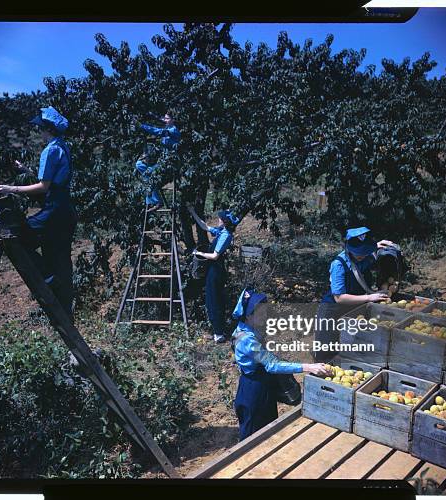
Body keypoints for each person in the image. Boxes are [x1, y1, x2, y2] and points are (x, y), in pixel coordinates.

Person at [0, 106, 77, 318]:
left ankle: (49, 280)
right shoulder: (62, 147)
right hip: (66, 210)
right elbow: (51, 180)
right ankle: (64, 307)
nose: (39, 132)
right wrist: (26, 171)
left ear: (48, 129)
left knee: (18, 239)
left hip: (55, 210)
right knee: (59, 258)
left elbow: (43, 187)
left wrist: (9, 188)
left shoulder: (50, 150)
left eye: (41, 129)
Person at [231, 288, 330, 441]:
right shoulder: (247, 340)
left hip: (262, 385)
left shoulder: (249, 329)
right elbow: (272, 365)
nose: (265, 314)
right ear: (248, 316)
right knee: (253, 438)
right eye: (260, 312)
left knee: (268, 430)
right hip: (254, 391)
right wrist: (308, 367)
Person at [314, 226, 396, 362]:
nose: (362, 255)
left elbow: (370, 252)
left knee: (352, 347)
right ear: (349, 249)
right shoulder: (339, 265)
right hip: (332, 311)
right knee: (327, 352)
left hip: (353, 309)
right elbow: (339, 298)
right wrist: (370, 297)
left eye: (365, 251)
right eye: (359, 252)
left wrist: (376, 245)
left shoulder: (364, 256)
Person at [186, 204, 238, 343]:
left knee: (214, 300)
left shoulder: (225, 235)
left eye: (220, 218)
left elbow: (215, 256)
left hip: (216, 271)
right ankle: (218, 331)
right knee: (212, 299)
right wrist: (193, 212)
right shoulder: (221, 231)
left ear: (225, 221)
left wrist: (199, 253)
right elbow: (204, 226)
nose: (218, 219)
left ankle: (219, 333)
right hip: (213, 270)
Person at [135, 110, 180, 212]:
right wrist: (150, 113)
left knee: (149, 176)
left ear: (173, 120)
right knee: (139, 165)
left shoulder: (173, 130)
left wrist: (142, 126)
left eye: (167, 118)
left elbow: (158, 132)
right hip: (162, 161)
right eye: (165, 118)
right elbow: (160, 118)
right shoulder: (168, 126)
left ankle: (157, 202)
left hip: (170, 162)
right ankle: (154, 201)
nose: (165, 120)